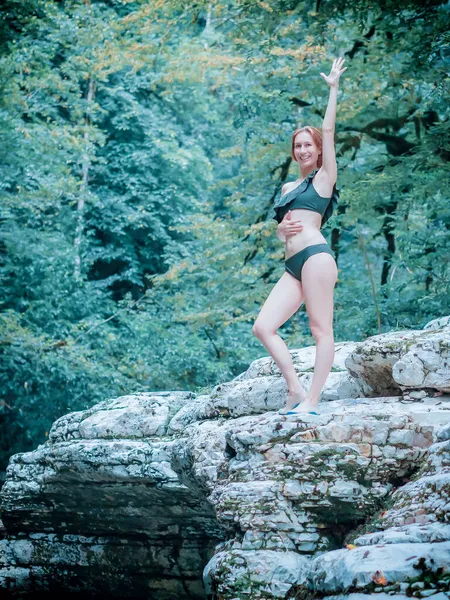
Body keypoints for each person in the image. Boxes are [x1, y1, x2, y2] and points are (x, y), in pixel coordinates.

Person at [252, 57, 347, 415]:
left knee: (320, 329)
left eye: (309, 145)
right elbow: (283, 229)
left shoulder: (324, 178)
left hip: (316, 258)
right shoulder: (288, 185)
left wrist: (333, 90)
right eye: (298, 146)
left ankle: (313, 400)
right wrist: (279, 230)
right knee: (263, 327)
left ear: (318, 149)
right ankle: (295, 389)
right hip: (292, 265)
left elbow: (330, 131)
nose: (303, 150)